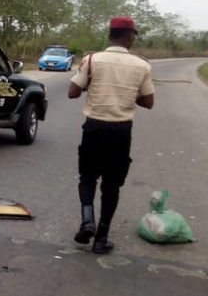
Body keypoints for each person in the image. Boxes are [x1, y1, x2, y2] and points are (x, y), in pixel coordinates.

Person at [68, 16, 155, 254]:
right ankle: (101, 238)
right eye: (133, 36)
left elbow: (72, 92)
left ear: (110, 35)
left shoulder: (92, 60)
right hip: (120, 132)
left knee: (87, 177)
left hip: (94, 127)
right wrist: (129, 94)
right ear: (129, 37)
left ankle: (87, 220)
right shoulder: (142, 66)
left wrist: (90, 84)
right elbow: (149, 102)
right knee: (111, 184)